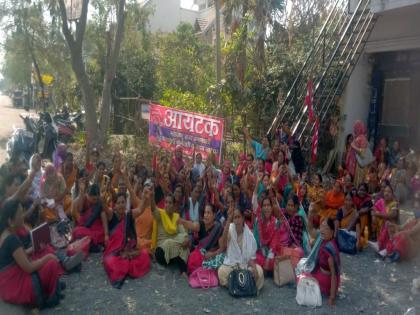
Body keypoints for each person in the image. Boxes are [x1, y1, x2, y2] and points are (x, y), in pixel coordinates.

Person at [0, 199, 64, 308]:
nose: (23, 217)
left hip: (9, 284)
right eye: (20, 214)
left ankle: (52, 286)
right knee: (51, 263)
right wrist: (47, 258)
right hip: (16, 286)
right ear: (11, 221)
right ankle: (50, 296)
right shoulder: (11, 239)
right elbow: (28, 268)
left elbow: (20, 255)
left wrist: (34, 248)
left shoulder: (6, 234)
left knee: (43, 251)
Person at [102, 193, 151, 288]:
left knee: (144, 255)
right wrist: (103, 199)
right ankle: (125, 266)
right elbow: (105, 208)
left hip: (128, 250)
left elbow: (140, 209)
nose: (121, 205)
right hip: (114, 253)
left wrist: (145, 198)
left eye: (123, 202)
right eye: (118, 203)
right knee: (110, 261)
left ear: (126, 203)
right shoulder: (111, 214)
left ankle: (126, 264)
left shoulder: (129, 215)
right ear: (114, 205)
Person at [218, 207, 264, 292]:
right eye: (235, 218)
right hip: (233, 265)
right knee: (221, 271)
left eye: (239, 217)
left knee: (260, 271)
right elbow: (223, 245)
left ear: (243, 218)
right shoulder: (230, 229)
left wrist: (254, 268)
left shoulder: (249, 235)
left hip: (245, 265)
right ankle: (245, 285)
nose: (237, 220)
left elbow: (250, 259)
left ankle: (236, 285)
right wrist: (228, 221)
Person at [307, 207, 341, 306]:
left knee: (302, 278)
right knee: (302, 272)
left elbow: (334, 275)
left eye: (325, 228)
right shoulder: (322, 238)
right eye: (321, 226)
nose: (322, 229)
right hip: (319, 271)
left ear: (331, 232)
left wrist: (332, 297)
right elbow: (310, 230)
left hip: (327, 280)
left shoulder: (330, 249)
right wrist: (310, 215)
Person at [151, 192, 189, 277]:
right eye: (166, 202)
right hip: (161, 253)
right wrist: (151, 196)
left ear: (174, 205)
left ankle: (183, 271)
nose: (167, 205)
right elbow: (153, 209)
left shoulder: (176, 217)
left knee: (183, 240)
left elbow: (183, 233)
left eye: (170, 202)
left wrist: (186, 239)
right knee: (169, 242)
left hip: (173, 253)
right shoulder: (160, 214)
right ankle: (181, 264)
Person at [178, 204, 223, 273]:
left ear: (214, 215)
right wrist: (182, 221)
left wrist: (212, 254)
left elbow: (222, 248)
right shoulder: (201, 224)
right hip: (200, 254)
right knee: (192, 255)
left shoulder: (218, 228)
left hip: (212, 255)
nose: (205, 215)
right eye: (205, 212)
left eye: (208, 213)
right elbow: (192, 225)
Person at [72, 183, 107, 251]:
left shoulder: (99, 203)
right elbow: (79, 209)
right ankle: (92, 246)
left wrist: (106, 234)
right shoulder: (84, 199)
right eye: (93, 199)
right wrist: (81, 193)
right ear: (88, 196)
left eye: (97, 199)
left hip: (96, 229)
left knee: (100, 235)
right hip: (84, 228)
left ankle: (90, 245)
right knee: (78, 231)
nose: (95, 201)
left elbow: (104, 218)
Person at [253, 197, 281, 272]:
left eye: (268, 205)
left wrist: (268, 258)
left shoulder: (275, 222)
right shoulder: (257, 221)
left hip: (271, 252)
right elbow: (256, 240)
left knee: (272, 261)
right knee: (253, 257)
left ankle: (265, 268)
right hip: (259, 251)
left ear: (271, 208)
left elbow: (274, 243)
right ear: (261, 208)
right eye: (264, 205)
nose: (266, 208)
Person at [346, 120, 370, 187]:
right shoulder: (357, 137)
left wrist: (353, 146)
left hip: (357, 165)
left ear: (359, 128)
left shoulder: (362, 138)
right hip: (353, 162)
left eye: (355, 128)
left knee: (355, 182)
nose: (354, 129)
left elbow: (363, 153)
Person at [61, 152, 79, 216]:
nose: (70, 162)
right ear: (64, 160)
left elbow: (77, 183)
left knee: (73, 204)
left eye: (71, 160)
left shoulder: (75, 170)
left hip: (68, 195)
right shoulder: (61, 169)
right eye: (68, 160)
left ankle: (62, 217)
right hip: (59, 194)